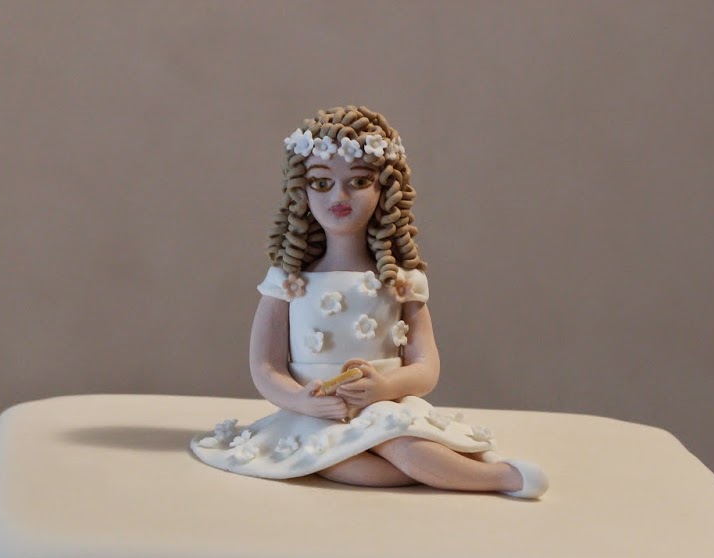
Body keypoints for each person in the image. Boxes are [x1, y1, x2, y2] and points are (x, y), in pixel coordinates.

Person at [191, 105, 547, 499]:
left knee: (405, 447)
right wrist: (301, 401)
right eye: (321, 183)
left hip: (383, 407)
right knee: (342, 462)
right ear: (301, 190)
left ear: (385, 189)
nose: (339, 196)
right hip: (315, 417)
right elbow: (265, 366)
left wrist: (385, 387)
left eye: (359, 181)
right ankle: (445, 472)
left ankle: (502, 478)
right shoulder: (288, 282)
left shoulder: (400, 282)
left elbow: (426, 367)